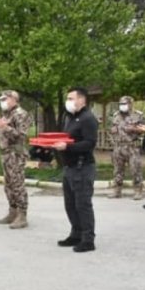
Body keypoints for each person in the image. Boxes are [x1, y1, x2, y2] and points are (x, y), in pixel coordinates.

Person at [53, 88, 98, 253]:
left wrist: (67, 147)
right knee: (70, 204)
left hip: (83, 167)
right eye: (67, 98)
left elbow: (89, 143)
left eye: (71, 98)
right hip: (70, 167)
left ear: (82, 100)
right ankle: (76, 233)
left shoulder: (88, 119)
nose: (68, 101)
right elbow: (68, 138)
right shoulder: (70, 118)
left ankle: (88, 239)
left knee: (82, 204)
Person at [0, 90, 33, 229]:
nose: (2, 102)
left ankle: (22, 215)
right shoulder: (7, 114)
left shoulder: (21, 114)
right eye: (0, 99)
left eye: (4, 99)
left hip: (15, 154)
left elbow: (21, 136)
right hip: (6, 154)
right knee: (9, 185)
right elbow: (3, 133)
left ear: (14, 99)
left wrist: (4, 127)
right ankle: (13, 212)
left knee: (17, 184)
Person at [108, 96, 145, 200]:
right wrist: (112, 130)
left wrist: (134, 129)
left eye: (124, 104)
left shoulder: (138, 115)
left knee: (135, 170)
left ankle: (138, 191)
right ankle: (117, 191)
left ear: (130, 104)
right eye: (121, 104)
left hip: (132, 147)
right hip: (118, 147)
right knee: (117, 170)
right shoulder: (116, 115)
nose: (122, 106)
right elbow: (111, 128)